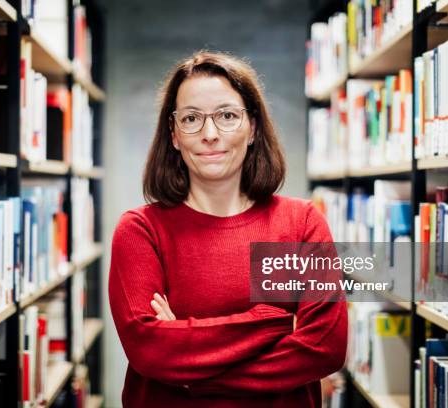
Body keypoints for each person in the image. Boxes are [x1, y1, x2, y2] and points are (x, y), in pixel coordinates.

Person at [108, 51, 347, 407]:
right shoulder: (141, 230)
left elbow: (324, 348)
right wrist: (274, 322)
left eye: (227, 116)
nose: (209, 134)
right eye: (191, 118)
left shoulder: (301, 224)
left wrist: (192, 368)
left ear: (252, 127)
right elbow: (150, 351)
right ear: (173, 134)